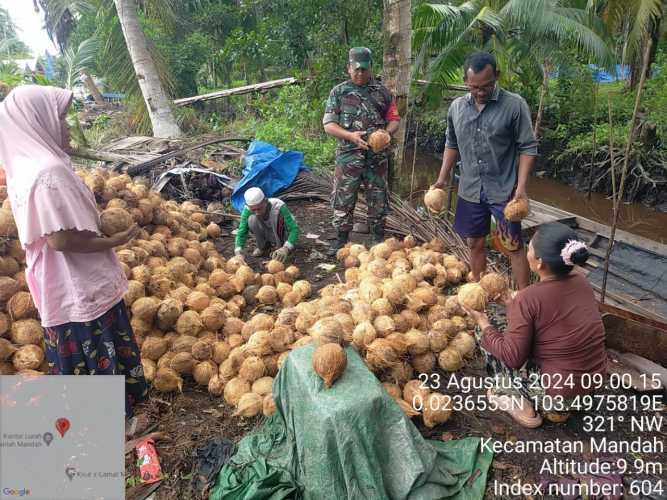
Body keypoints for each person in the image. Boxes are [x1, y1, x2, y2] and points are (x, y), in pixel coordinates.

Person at [0, 85, 147, 417]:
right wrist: (115, 241)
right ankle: (112, 420)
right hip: (77, 281)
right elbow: (61, 241)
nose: (67, 126)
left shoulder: (23, 167)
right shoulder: (47, 171)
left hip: (55, 282)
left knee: (79, 352)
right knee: (94, 340)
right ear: (38, 121)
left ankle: (98, 418)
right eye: (62, 119)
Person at [463, 222, 607, 427]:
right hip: (593, 386)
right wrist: (512, 304)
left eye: (530, 247)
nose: (527, 249)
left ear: (539, 262)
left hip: (561, 395)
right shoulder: (581, 281)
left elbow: (513, 358)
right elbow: (551, 317)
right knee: (509, 330)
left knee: (487, 330)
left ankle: (518, 401)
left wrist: (483, 322)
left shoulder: (529, 298)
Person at [432, 51, 538, 289]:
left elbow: (528, 148)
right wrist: (441, 179)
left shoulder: (514, 106)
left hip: (504, 190)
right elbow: (452, 144)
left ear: (497, 76)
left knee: (513, 246)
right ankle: (477, 293)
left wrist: (521, 189)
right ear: (465, 81)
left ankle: (524, 300)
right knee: (474, 243)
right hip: (470, 189)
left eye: (486, 86)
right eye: (474, 87)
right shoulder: (457, 108)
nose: (480, 92)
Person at [323, 47, 401, 256]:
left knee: (378, 199)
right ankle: (340, 240)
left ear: (370, 69)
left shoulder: (382, 92)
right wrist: (350, 136)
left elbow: (394, 119)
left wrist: (386, 134)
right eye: (356, 69)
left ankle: (377, 240)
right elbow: (329, 124)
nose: (360, 73)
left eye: (364, 70)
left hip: (377, 157)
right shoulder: (338, 92)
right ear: (349, 68)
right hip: (349, 156)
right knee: (343, 198)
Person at [234, 187, 299, 262]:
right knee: (252, 219)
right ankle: (264, 247)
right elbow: (241, 232)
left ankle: (281, 247)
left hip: (283, 234)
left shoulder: (279, 206)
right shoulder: (247, 210)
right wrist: (238, 251)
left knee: (277, 215)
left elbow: (294, 229)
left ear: (265, 201)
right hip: (268, 232)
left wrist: (286, 248)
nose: (257, 212)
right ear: (248, 206)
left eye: (259, 208)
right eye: (253, 210)